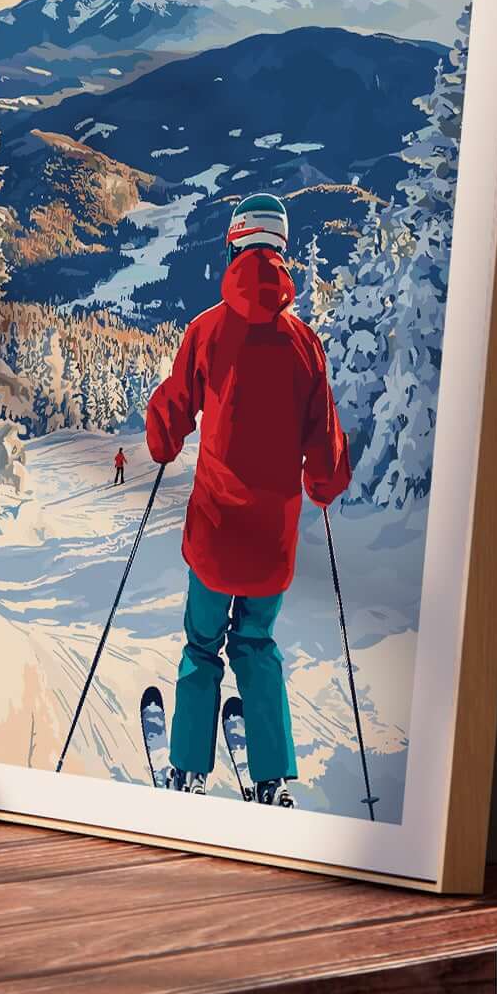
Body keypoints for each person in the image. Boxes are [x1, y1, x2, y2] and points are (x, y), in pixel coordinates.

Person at [145, 193, 350, 806]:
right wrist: (321, 485)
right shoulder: (305, 344)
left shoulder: (206, 331)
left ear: (233, 246)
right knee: (256, 645)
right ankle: (270, 776)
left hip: (213, 531)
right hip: (271, 541)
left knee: (201, 645)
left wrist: (161, 443)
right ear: (280, 253)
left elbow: (170, 416)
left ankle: (187, 766)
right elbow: (328, 452)